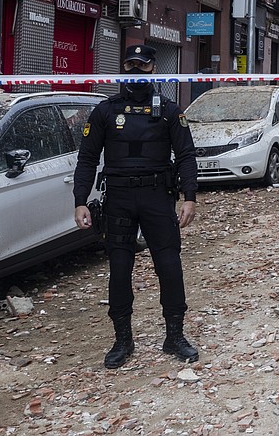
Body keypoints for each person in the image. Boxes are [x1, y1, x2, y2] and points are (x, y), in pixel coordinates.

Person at [72, 44, 200, 369]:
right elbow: (87, 158)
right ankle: (122, 341)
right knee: (119, 270)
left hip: (158, 196)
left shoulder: (170, 111)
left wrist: (189, 197)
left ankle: (174, 336)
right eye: (129, 64)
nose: (134, 71)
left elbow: (186, 155)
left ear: (153, 69)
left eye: (141, 65)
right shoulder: (105, 111)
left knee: (170, 266)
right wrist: (80, 201)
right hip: (119, 199)